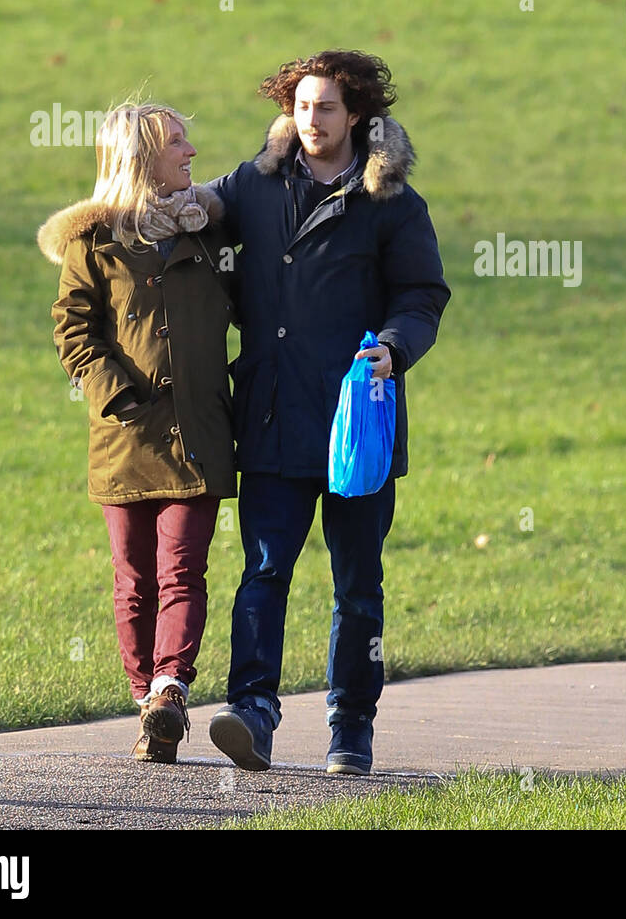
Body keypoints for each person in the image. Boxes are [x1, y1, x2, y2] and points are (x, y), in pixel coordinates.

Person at [205, 49, 450, 775]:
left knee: (358, 585)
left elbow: (422, 294)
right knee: (264, 570)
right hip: (273, 416)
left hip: (359, 427)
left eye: (328, 108)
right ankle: (251, 711)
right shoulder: (255, 182)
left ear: (357, 116)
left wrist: (396, 348)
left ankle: (352, 727)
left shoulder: (392, 202)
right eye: (303, 106)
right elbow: (205, 214)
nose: (313, 119)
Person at [37, 102, 237, 764]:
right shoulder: (92, 246)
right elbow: (74, 334)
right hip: (124, 441)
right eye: (177, 142)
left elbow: (256, 309)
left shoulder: (208, 234)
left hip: (199, 436)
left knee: (183, 569)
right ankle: (147, 704)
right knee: (134, 582)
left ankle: (169, 691)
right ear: (140, 157)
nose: (191, 152)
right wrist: (116, 396)